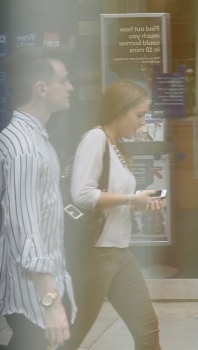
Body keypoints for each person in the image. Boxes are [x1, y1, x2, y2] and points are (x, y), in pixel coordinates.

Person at [0, 47, 76, 349]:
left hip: (36, 286)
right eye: (63, 80)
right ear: (40, 89)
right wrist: (50, 303)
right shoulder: (24, 147)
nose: (70, 87)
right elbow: (25, 230)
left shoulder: (34, 138)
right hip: (27, 291)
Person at [64, 79, 163, 350]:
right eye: (139, 115)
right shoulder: (95, 138)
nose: (142, 122)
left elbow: (109, 196)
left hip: (119, 253)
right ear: (120, 110)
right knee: (71, 336)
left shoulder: (116, 146)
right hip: (96, 255)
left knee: (147, 329)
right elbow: (82, 195)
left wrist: (138, 203)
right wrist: (131, 198)